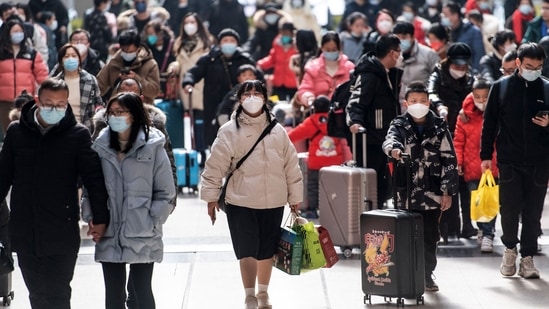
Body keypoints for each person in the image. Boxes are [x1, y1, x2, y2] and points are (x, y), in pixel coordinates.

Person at [0, 78, 109, 308]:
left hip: (62, 228)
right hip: (25, 228)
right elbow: (3, 176)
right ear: (38, 101)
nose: (55, 109)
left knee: (59, 293)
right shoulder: (17, 132)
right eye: (49, 103)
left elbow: (93, 179)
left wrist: (99, 218)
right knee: (37, 294)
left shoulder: (77, 134)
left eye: (61, 104)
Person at [200, 80, 303, 309]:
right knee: (247, 249)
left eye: (257, 93)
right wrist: (210, 197)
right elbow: (215, 165)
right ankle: (249, 295)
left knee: (267, 249)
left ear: (265, 98)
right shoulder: (229, 130)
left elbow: (291, 165)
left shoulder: (277, 130)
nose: (253, 97)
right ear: (239, 99)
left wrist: (295, 197)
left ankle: (263, 293)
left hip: (273, 200)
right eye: (247, 94)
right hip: (240, 201)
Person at [86, 92, 175, 308]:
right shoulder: (101, 146)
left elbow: (166, 191)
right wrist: (92, 217)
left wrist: (153, 217)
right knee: (113, 294)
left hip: (142, 227)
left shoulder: (153, 145)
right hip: (110, 226)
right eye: (111, 113)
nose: (115, 117)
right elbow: (92, 188)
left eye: (121, 112)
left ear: (134, 115)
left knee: (142, 290)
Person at [480, 42, 549, 279]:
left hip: (540, 162)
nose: (534, 70)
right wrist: (485, 156)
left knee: (533, 212)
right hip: (509, 160)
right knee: (508, 209)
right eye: (529, 66)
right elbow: (489, 124)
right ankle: (510, 249)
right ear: (518, 63)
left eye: (539, 67)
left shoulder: (547, 89)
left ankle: (527, 258)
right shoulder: (501, 88)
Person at [382, 81, 458, 292]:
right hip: (406, 193)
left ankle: (426, 275)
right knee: (405, 236)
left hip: (432, 193)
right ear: (406, 103)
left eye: (422, 101)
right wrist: (395, 150)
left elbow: (449, 159)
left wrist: (447, 192)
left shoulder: (440, 127)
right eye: (413, 101)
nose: (418, 104)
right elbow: (389, 142)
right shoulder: (399, 124)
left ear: (429, 102)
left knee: (430, 235)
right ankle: (406, 274)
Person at [346, 33, 403, 209]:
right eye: (399, 52)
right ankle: (372, 219)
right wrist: (355, 121)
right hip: (371, 140)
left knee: (384, 183)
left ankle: (379, 216)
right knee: (374, 183)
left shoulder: (388, 74)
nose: (401, 56)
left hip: (385, 136)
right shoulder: (369, 75)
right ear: (392, 53)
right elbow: (355, 102)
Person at [182, 28, 256, 156]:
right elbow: (193, 72)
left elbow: (256, 74)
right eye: (225, 40)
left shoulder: (245, 59)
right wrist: (188, 83)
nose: (228, 43)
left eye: (232, 40)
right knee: (213, 133)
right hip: (212, 102)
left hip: (237, 103)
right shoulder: (209, 58)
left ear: (237, 43)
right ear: (219, 43)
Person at [428, 42, 476, 242]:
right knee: (447, 181)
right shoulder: (438, 75)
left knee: (465, 183)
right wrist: (440, 107)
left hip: (465, 134)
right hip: (444, 133)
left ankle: (467, 224)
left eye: (463, 65)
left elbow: (477, 97)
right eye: (456, 65)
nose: (460, 69)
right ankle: (447, 226)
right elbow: (431, 93)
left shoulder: (471, 79)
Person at [453, 78, 498, 253]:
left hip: (494, 166)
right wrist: (458, 162)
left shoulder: (498, 112)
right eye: (477, 97)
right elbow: (458, 141)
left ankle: (488, 234)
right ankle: (482, 228)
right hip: (471, 168)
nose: (481, 101)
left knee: (491, 200)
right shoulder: (464, 116)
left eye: (485, 97)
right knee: (478, 201)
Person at [288, 95, 346, 219]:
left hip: (316, 162)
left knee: (314, 186)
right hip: (336, 162)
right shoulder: (335, 119)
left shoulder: (311, 121)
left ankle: (312, 210)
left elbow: (293, 135)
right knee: (335, 186)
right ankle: (335, 210)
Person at [167, 12, 213, 151]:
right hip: (187, 87)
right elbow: (178, 62)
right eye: (186, 23)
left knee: (202, 122)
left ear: (198, 24)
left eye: (192, 22)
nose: (189, 26)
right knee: (192, 122)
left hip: (202, 85)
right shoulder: (179, 43)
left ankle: (203, 149)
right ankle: (196, 150)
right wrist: (174, 67)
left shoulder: (206, 43)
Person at [0, 18, 48, 138]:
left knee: (26, 133)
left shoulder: (32, 53)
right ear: (7, 33)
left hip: (26, 101)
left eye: (20, 31)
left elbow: (42, 76)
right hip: (4, 101)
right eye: (15, 31)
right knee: (9, 134)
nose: (18, 34)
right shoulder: (1, 53)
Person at [97, 29, 160, 104]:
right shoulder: (114, 62)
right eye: (124, 50)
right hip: (118, 107)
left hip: (143, 108)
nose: (127, 54)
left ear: (138, 50)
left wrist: (136, 79)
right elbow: (99, 85)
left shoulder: (150, 64)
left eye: (130, 52)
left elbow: (154, 91)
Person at [52, 44, 103, 133]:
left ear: (79, 59)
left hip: (86, 129)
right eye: (66, 56)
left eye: (74, 56)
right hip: (61, 130)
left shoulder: (90, 80)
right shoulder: (55, 83)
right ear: (61, 61)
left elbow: (98, 104)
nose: (70, 59)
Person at [297, 31, 355, 107]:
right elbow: (305, 89)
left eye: (334, 50)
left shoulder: (350, 68)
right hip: (319, 112)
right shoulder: (313, 67)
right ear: (322, 48)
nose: (331, 52)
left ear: (339, 48)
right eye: (327, 50)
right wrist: (309, 98)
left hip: (344, 113)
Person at [392, 21, 440, 108]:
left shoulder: (429, 55)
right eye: (397, 38)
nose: (400, 41)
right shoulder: (391, 56)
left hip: (422, 106)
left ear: (412, 37)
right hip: (398, 107)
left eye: (404, 37)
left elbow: (439, 81)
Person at [257, 22, 298, 101]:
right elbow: (271, 59)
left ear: (292, 33)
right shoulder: (277, 45)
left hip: (293, 83)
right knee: (276, 103)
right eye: (282, 33)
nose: (284, 35)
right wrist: (260, 64)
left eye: (287, 33)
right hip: (278, 83)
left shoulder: (297, 47)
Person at [441, 1, 485, 72]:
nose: (444, 18)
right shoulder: (446, 32)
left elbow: (479, 56)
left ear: (455, 15)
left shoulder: (473, 31)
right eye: (442, 15)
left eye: (446, 15)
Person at [143, 20, 175, 98]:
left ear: (159, 34)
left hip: (169, 86)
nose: (149, 37)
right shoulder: (146, 48)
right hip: (153, 86)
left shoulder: (171, 46)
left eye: (151, 34)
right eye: (148, 34)